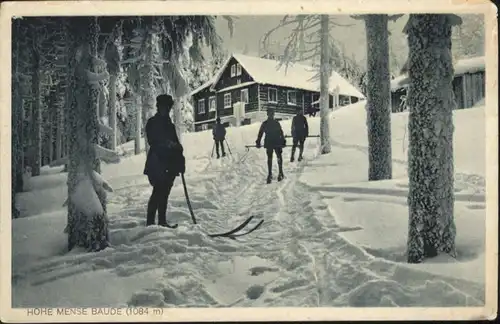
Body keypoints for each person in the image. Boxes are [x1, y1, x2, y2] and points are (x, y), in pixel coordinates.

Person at [143, 94, 185, 228]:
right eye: (163, 107)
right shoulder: (152, 123)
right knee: (157, 192)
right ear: (158, 107)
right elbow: (153, 142)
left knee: (165, 193)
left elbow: (177, 145)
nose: (166, 110)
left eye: (168, 108)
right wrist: (169, 145)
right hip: (157, 163)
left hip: (169, 165)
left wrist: (180, 157)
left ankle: (162, 221)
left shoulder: (170, 125)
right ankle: (150, 223)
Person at [255, 109, 286, 184]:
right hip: (276, 142)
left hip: (270, 142)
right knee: (277, 157)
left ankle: (272, 174)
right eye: (271, 113)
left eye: (271, 113)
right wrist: (283, 141)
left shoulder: (266, 123)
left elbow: (260, 134)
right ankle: (278, 173)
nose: (271, 115)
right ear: (270, 114)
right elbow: (281, 133)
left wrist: (258, 142)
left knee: (271, 158)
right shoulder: (275, 123)